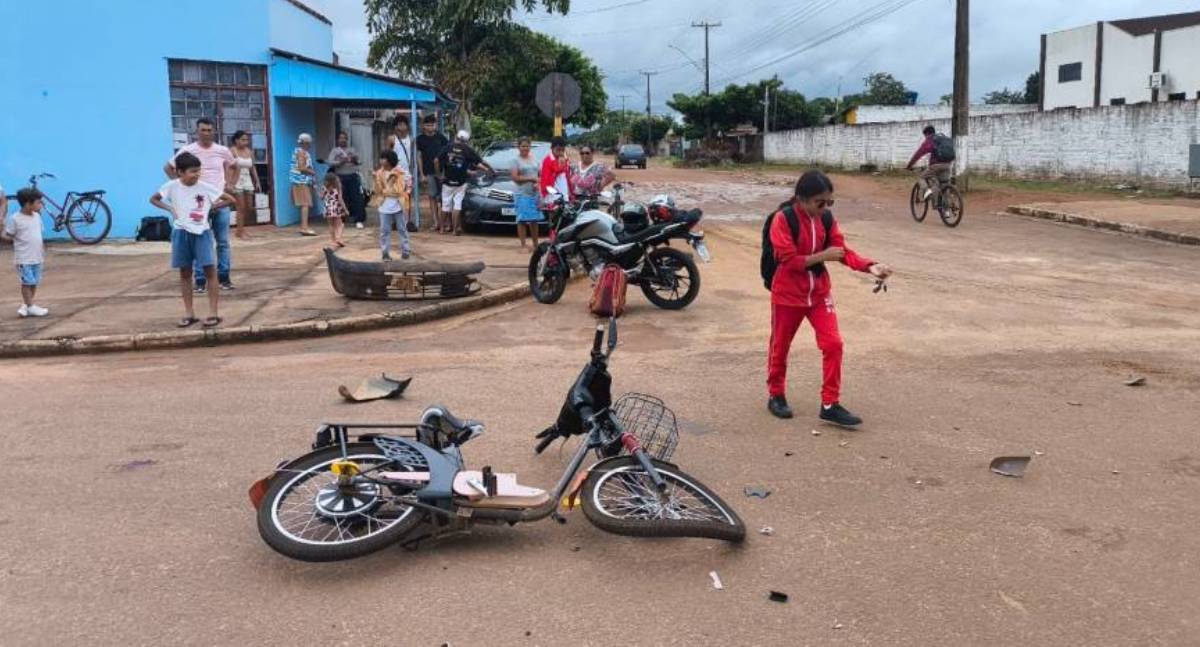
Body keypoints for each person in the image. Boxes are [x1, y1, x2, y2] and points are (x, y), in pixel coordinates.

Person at [766, 170, 892, 427]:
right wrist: (823, 256)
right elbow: (788, 261)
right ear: (801, 199)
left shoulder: (826, 220)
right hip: (788, 295)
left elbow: (842, 251)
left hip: (819, 293)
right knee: (780, 347)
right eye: (820, 203)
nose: (825, 208)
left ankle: (830, 404)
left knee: (833, 344)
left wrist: (870, 266)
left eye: (829, 203)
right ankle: (776, 395)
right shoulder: (783, 219)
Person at [150, 151, 236, 329]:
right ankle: (189, 313)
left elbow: (230, 199)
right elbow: (154, 199)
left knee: (210, 272)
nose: (196, 174)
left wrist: (211, 207)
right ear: (180, 172)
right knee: (185, 273)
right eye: (192, 171)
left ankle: (213, 313)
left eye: (198, 170)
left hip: (202, 232)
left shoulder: (204, 187)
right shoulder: (172, 186)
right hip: (181, 232)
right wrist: (171, 210)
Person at [164, 117, 236, 292]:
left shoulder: (222, 150)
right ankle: (200, 280)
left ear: (214, 131)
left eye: (210, 130)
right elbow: (168, 167)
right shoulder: (188, 150)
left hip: (219, 202)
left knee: (223, 242)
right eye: (203, 130)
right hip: (197, 205)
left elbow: (234, 165)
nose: (207, 133)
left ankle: (224, 277)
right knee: (197, 240)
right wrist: (181, 186)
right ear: (197, 131)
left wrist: (230, 183)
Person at [2, 188, 49, 317]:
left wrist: (42, 247)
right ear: (28, 204)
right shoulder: (15, 219)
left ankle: (27, 305)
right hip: (24, 258)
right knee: (27, 282)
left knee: (34, 282)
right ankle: (30, 306)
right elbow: (8, 236)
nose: (41, 205)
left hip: (37, 256)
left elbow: (38, 235)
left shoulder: (37, 217)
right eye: (38, 202)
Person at [438, 130, 492, 236]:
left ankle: (442, 229)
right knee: (457, 205)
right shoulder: (468, 150)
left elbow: (436, 160)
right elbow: (480, 162)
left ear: (456, 137)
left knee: (445, 205)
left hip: (447, 181)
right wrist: (490, 170)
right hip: (460, 182)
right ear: (467, 141)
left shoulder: (448, 147)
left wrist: (439, 174)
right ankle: (454, 230)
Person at [374, 150, 411, 260]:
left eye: (384, 158)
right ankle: (385, 253)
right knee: (384, 231)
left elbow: (398, 190)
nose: (381, 161)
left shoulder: (399, 172)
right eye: (381, 158)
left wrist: (386, 190)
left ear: (389, 160)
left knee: (402, 229)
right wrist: (381, 186)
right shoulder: (379, 173)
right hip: (384, 205)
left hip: (399, 205)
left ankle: (406, 251)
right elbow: (377, 190)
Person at [415, 115, 448, 232]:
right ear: (423, 126)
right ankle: (435, 222)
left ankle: (446, 223)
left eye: (432, 125)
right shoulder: (420, 139)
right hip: (428, 172)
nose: (430, 127)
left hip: (442, 172)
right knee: (432, 197)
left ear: (436, 125)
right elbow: (419, 157)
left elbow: (447, 155)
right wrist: (422, 174)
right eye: (428, 125)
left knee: (444, 198)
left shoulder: (442, 138)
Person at [329, 131, 367, 230]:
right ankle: (341, 219)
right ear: (338, 140)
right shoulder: (335, 151)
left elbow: (359, 162)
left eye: (344, 138)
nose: (342, 140)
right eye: (341, 138)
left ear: (347, 139)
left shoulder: (352, 150)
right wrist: (340, 161)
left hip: (353, 176)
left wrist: (354, 160)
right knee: (340, 198)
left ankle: (359, 220)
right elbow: (330, 163)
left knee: (357, 198)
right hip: (340, 177)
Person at [906, 125, 954, 200]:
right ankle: (947, 208)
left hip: (935, 166)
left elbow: (918, 154)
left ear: (927, 134)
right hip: (948, 164)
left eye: (925, 136)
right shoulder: (943, 139)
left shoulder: (930, 140)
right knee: (944, 184)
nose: (925, 137)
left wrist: (909, 165)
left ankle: (928, 191)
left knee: (921, 177)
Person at [511, 137, 543, 249]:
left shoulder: (535, 159)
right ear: (518, 147)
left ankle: (535, 245)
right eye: (523, 146)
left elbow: (540, 175)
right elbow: (515, 177)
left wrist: (537, 183)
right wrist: (530, 179)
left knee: (534, 220)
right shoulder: (515, 160)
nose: (525, 148)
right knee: (522, 220)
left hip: (534, 194)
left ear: (530, 146)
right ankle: (523, 245)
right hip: (522, 193)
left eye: (527, 146)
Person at [229, 130, 261, 240]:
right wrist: (229, 183)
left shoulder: (249, 151)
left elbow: (253, 167)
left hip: (248, 180)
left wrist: (257, 181)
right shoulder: (232, 151)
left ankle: (242, 229)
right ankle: (239, 231)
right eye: (243, 139)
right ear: (236, 140)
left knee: (249, 206)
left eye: (247, 140)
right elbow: (227, 167)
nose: (245, 142)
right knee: (240, 207)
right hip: (236, 181)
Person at [290, 133, 318, 236]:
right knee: (305, 204)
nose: (310, 145)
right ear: (305, 143)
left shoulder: (301, 152)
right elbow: (301, 168)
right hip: (300, 181)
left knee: (305, 204)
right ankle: (304, 227)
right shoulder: (301, 152)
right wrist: (312, 172)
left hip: (301, 181)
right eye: (309, 143)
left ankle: (304, 226)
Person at [321, 173, 347, 248]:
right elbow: (340, 199)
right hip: (336, 208)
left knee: (331, 225)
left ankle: (333, 241)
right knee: (340, 224)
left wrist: (316, 189)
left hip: (328, 208)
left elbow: (321, 197)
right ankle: (338, 238)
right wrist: (345, 209)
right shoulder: (338, 188)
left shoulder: (324, 187)